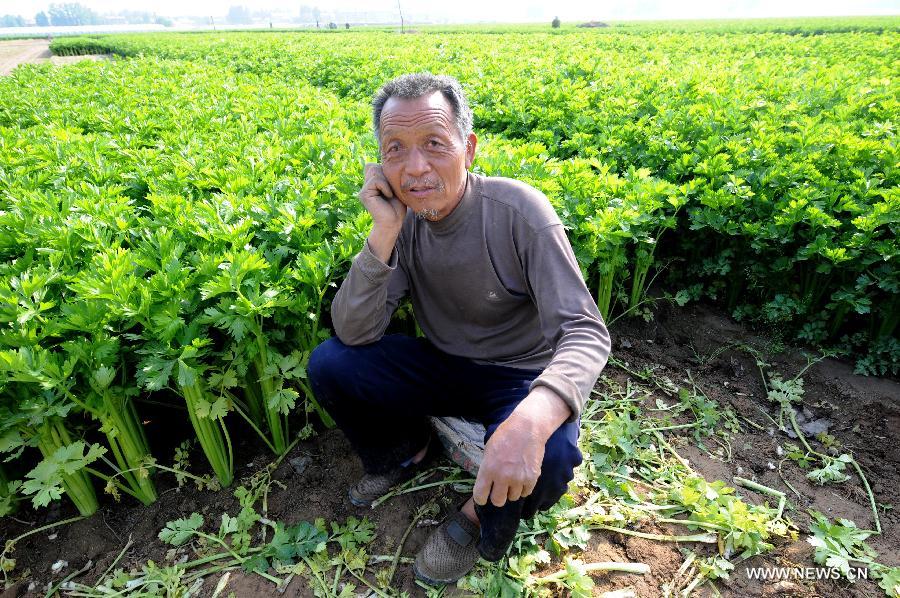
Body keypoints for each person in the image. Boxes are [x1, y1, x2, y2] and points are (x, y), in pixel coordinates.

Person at [308, 73, 610, 585]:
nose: (416, 167)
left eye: (434, 144)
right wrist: (383, 231)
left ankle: (476, 514)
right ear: (380, 162)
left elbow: (585, 330)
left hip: (518, 375)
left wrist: (531, 420)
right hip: (444, 363)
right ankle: (408, 453)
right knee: (332, 364)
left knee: (551, 456)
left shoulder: (519, 213)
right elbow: (354, 331)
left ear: (467, 148)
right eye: (396, 150)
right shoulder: (402, 223)